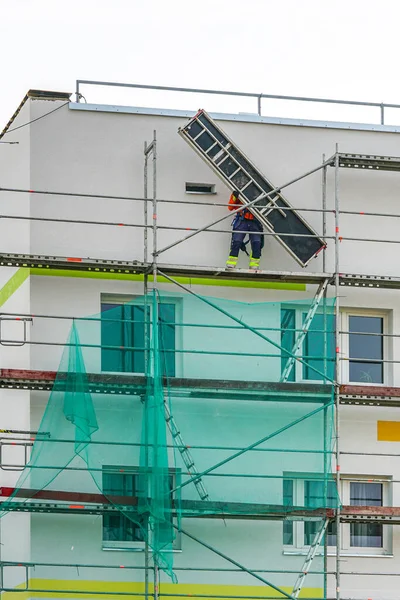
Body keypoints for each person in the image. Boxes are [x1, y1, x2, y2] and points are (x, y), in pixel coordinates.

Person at [226, 190, 263, 270]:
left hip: (255, 221)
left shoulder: (259, 191)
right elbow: (230, 207)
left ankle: (254, 265)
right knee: (237, 241)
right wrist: (235, 196)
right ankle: (231, 264)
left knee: (256, 243)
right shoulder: (240, 192)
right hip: (242, 219)